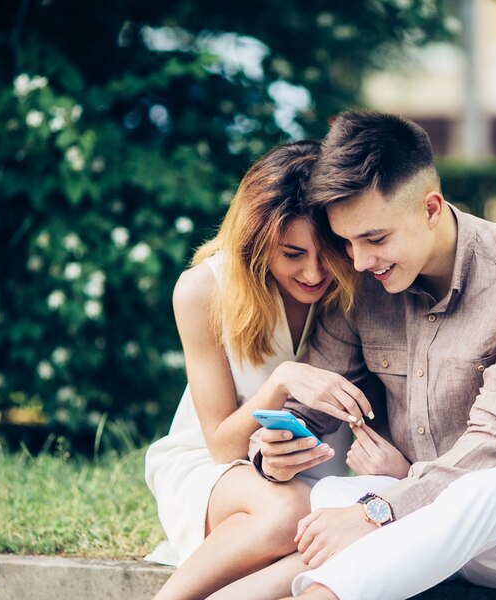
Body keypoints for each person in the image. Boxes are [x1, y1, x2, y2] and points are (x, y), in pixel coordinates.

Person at [249, 112, 496, 600]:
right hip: (412, 511)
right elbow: (310, 409)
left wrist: (378, 510)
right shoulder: (362, 283)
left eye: (374, 239)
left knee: (488, 487)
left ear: (431, 208)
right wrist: (273, 451)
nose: (358, 261)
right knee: (327, 497)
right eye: (346, 241)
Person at [144, 141, 371, 600]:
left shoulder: (359, 283)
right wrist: (281, 381)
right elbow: (221, 446)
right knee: (297, 513)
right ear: (257, 240)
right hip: (213, 471)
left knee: (328, 522)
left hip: (310, 478)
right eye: (291, 254)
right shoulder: (203, 290)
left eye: (328, 252)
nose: (313, 273)